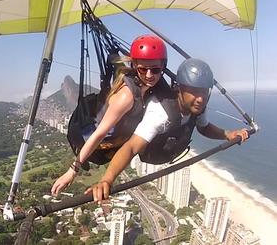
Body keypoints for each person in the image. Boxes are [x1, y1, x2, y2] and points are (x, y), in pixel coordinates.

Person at [85, 58, 250, 204]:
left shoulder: (198, 106)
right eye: (194, 91)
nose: (200, 98)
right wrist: (107, 179)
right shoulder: (160, 112)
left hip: (168, 151)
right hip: (152, 153)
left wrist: (227, 134)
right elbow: (132, 147)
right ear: (180, 88)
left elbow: (204, 127)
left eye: (204, 91)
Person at [51, 35, 170, 196]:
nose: (149, 75)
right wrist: (72, 170)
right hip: (91, 140)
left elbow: (119, 64)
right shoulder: (126, 97)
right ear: (135, 66)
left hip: (112, 138)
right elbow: (98, 134)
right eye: (143, 69)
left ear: (163, 67)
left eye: (155, 70)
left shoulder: (147, 85)